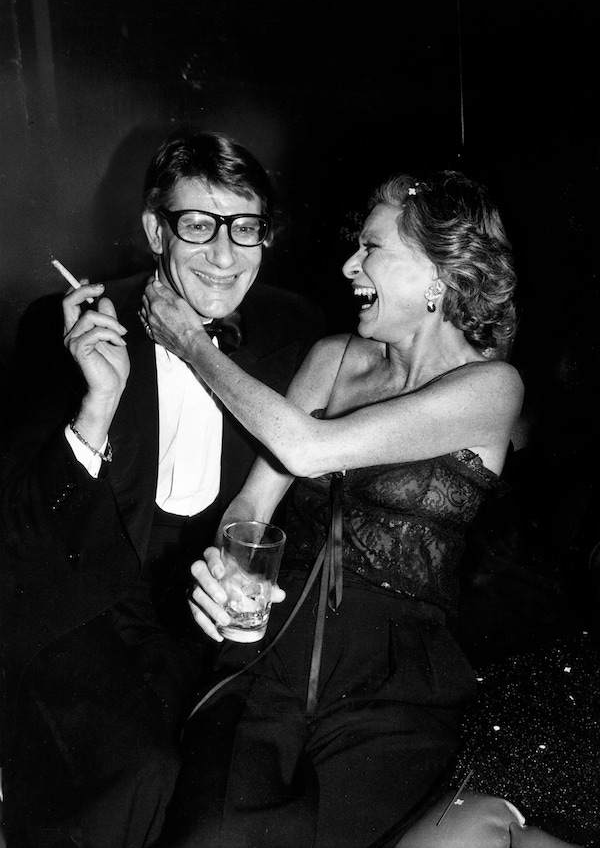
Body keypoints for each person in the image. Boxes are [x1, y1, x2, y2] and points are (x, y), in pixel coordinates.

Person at [140, 169, 525, 848]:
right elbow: (251, 507)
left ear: (439, 274)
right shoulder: (331, 358)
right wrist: (232, 572)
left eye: (372, 248)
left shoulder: (490, 387)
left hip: (393, 693)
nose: (350, 265)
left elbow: (308, 448)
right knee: (214, 834)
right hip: (267, 662)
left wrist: (191, 344)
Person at [0, 130, 324, 848]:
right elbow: (21, 531)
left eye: (246, 228)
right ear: (154, 229)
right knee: (143, 777)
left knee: (249, 804)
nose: (223, 254)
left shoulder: (299, 330)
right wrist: (96, 404)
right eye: (197, 225)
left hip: (223, 628)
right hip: (93, 614)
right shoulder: (76, 325)